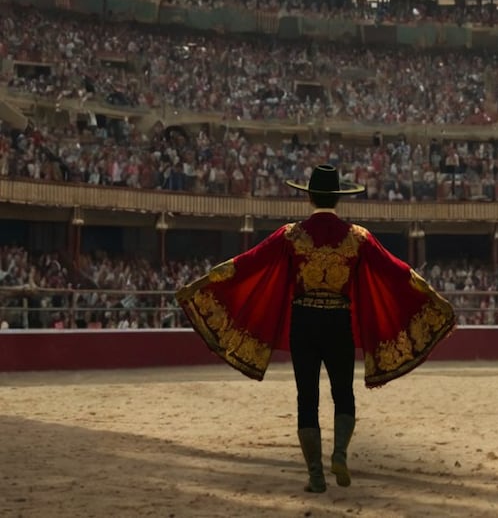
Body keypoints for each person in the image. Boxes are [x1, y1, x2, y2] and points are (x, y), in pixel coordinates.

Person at [176, 164, 455, 493]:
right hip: (338, 322)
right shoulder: (358, 237)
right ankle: (339, 453)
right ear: (338, 199)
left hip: (303, 322)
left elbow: (247, 262)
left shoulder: (291, 234)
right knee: (343, 394)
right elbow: (399, 272)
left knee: (306, 399)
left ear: (309, 197)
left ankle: (315, 475)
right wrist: (433, 296)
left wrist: (204, 282)